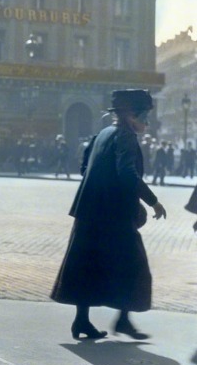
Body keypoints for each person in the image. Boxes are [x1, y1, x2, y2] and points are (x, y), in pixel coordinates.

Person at [51, 89, 166, 340]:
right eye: (144, 116)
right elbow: (127, 174)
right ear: (132, 116)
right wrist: (153, 201)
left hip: (90, 210)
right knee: (134, 265)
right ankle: (123, 320)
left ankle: (82, 320)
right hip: (113, 215)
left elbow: (84, 166)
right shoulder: (125, 136)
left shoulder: (103, 133)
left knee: (87, 265)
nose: (147, 122)